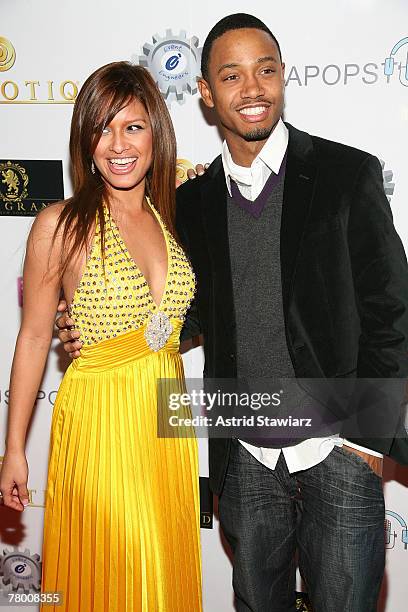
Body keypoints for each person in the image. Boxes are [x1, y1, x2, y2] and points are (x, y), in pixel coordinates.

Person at [57, 13, 408, 612]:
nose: (252, 89)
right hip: (244, 459)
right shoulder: (189, 201)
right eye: (232, 75)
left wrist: (365, 439)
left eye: (265, 71)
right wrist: (97, 328)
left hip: (340, 453)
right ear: (205, 93)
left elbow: (392, 309)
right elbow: (186, 311)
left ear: (281, 79)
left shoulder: (347, 174)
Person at [0, 62, 202, 611]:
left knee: (161, 565)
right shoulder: (60, 225)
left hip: (167, 419)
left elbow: (172, 325)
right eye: (102, 128)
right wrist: (14, 449)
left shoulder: (173, 216)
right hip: (100, 419)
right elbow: (35, 338)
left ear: (155, 134)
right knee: (115, 567)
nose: (117, 144)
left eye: (133, 127)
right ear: (84, 141)